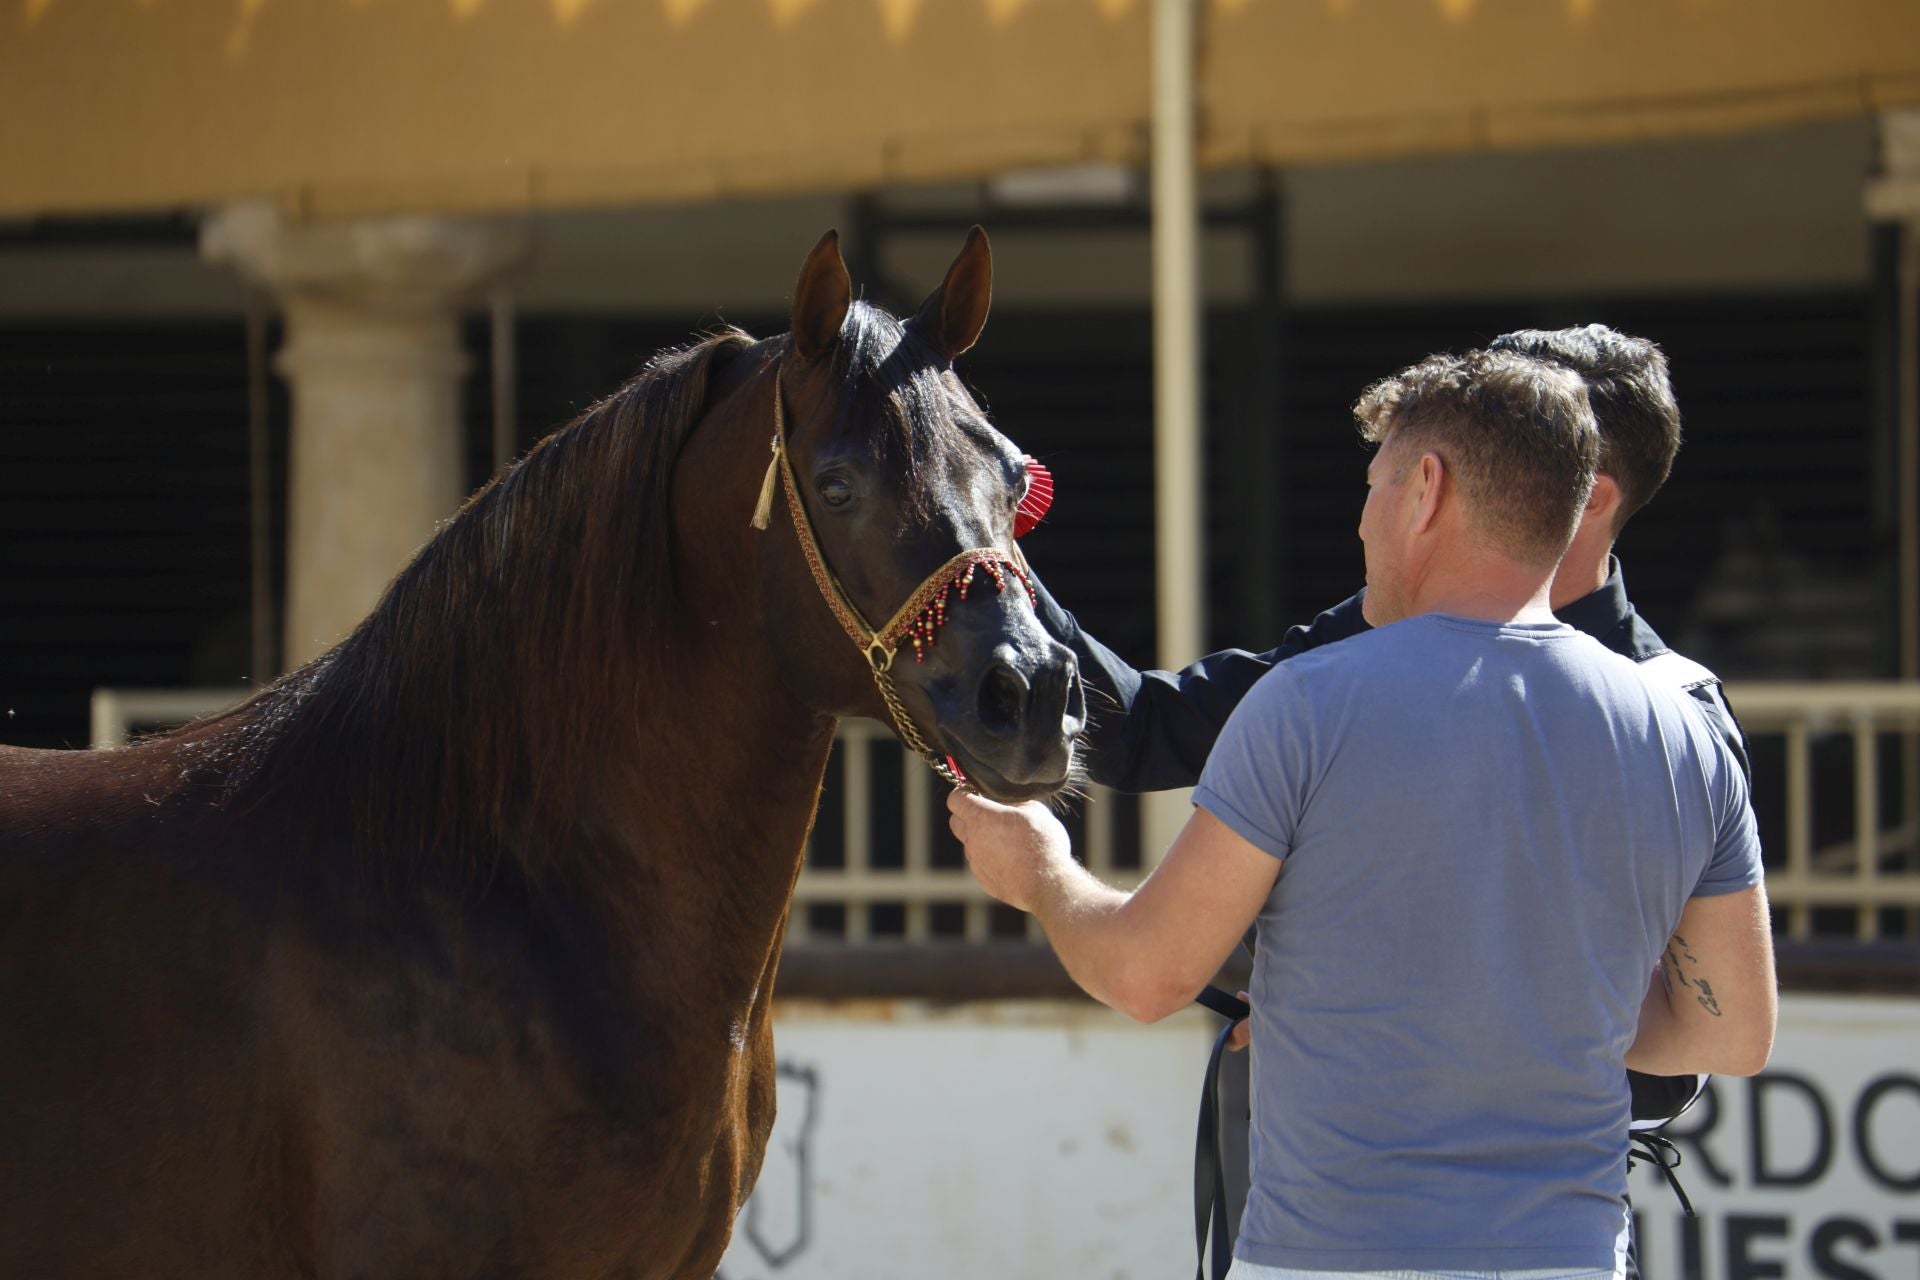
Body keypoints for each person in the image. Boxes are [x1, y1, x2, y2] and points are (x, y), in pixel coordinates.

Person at [949, 348, 1775, 1278]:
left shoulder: (1308, 702)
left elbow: (1147, 975)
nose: (1360, 517)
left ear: (1426, 490)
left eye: (1376, 483)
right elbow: (1730, 1032)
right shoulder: (1685, 728)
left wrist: (1043, 875)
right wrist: (1526, 1013)